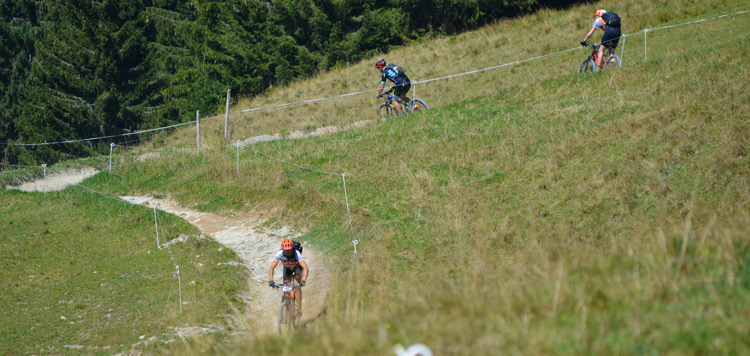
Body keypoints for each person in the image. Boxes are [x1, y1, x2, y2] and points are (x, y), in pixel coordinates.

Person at [268, 238, 309, 313]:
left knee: (297, 286)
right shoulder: (279, 254)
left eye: (289, 250)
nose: (287, 252)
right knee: (286, 289)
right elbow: (272, 268)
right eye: (286, 250)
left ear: (291, 248)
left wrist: (304, 279)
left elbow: (305, 268)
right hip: (287, 270)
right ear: (282, 249)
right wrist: (271, 280)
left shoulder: (296, 253)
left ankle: (299, 308)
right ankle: (286, 309)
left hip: (297, 269)